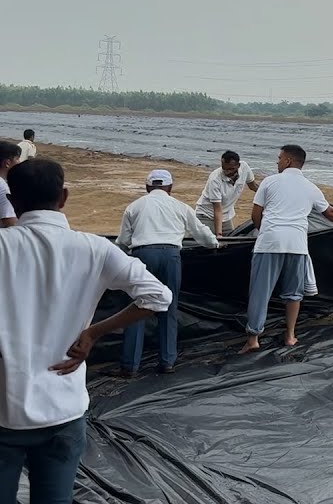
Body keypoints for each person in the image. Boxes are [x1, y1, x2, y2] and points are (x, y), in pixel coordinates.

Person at [0, 159, 172, 504]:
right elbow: (158, 297)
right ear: (63, 197)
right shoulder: (95, 248)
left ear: (12, 200)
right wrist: (93, 333)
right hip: (63, 410)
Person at [242, 145, 333, 354]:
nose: (277, 162)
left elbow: (256, 215)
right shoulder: (311, 187)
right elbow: (329, 212)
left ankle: (253, 338)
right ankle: (290, 335)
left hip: (269, 243)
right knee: (293, 293)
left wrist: (264, 231)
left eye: (279, 158)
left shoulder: (269, 181)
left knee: (260, 291)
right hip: (297, 245)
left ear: (288, 161)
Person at [113, 170, 220, 377]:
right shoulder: (180, 206)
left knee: (137, 307)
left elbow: (123, 241)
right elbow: (201, 233)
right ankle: (167, 362)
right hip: (171, 257)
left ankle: (130, 366)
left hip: (143, 256)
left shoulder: (135, 206)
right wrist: (215, 243)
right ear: (170, 188)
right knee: (169, 307)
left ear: (147, 187)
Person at [195, 150, 259, 236]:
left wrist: (267, 195)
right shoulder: (215, 179)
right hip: (207, 215)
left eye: (231, 169)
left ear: (238, 166)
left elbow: (253, 186)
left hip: (226, 217)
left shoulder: (244, 168)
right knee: (208, 241)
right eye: (224, 169)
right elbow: (217, 209)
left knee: (230, 240)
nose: (227, 172)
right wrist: (219, 234)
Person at [0, 142, 20, 227]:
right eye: (17, 159)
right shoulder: (2, 187)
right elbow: (11, 223)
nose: (19, 162)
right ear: (7, 163)